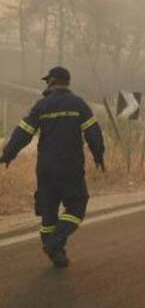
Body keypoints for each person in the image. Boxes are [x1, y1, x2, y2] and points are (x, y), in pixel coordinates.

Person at [0, 66, 105, 268]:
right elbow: (93, 131)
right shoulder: (78, 104)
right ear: (67, 82)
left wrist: (8, 154)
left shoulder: (41, 106)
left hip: (45, 168)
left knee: (48, 212)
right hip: (70, 167)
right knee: (76, 206)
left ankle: (55, 250)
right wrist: (98, 155)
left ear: (51, 82)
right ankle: (55, 244)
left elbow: (23, 132)